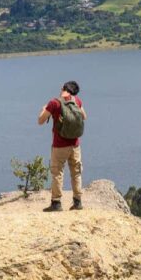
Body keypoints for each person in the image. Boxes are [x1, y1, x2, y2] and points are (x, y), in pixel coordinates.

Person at [38, 81, 86, 211]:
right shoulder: (77, 101)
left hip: (59, 145)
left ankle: (56, 203)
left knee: (57, 173)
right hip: (75, 145)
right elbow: (84, 116)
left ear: (63, 89)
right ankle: (77, 202)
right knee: (76, 173)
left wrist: (44, 109)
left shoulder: (55, 103)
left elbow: (40, 121)